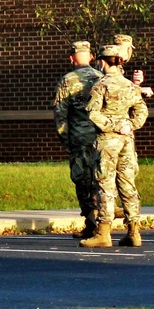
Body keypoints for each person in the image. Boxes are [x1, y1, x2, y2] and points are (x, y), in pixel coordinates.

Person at [80, 44, 149, 248]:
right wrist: (129, 125)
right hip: (127, 140)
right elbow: (141, 111)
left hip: (108, 140)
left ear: (102, 61)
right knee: (127, 184)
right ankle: (134, 231)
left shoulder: (101, 85)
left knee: (105, 184)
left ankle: (103, 232)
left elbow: (92, 113)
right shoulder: (129, 85)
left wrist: (114, 125)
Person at [52, 40, 103, 239]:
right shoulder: (102, 78)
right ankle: (100, 221)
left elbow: (60, 112)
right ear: (91, 57)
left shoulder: (68, 80)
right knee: (100, 179)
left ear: (71, 58)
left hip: (79, 138)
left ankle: (91, 223)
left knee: (82, 180)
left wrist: (65, 137)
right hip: (101, 137)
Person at [113, 33, 154, 98]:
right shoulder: (113, 66)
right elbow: (115, 93)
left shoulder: (112, 64)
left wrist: (136, 84)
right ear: (129, 49)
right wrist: (140, 90)